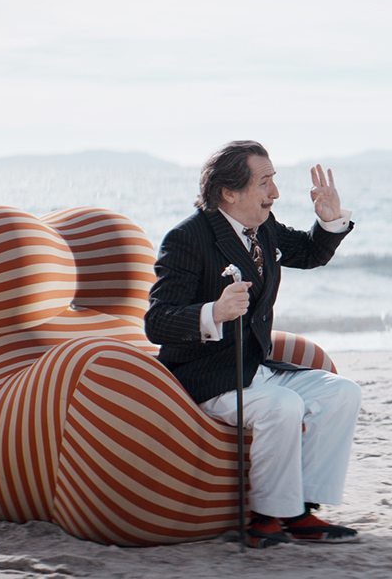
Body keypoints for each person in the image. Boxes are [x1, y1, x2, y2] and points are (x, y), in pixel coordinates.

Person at [145, 140, 362, 548]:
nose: (275, 192)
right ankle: (265, 518)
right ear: (229, 192)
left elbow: (309, 254)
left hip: (254, 369)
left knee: (342, 392)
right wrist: (213, 312)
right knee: (283, 405)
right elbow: (157, 322)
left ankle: (301, 510)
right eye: (265, 182)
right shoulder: (187, 238)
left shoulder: (264, 227)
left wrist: (329, 220)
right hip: (205, 377)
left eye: (273, 180)